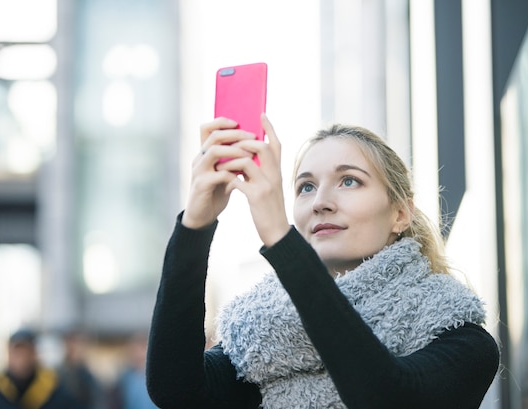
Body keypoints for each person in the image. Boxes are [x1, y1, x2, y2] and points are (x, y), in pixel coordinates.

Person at [146, 115, 500, 409]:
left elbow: (387, 395)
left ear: (400, 214)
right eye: (306, 187)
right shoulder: (262, 338)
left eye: (349, 181)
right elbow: (176, 390)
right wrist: (196, 225)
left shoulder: (461, 338)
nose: (321, 202)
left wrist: (281, 240)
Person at [0, 328, 82, 409]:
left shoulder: (56, 395)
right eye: (17, 352)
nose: (21, 358)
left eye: (26, 352)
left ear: (35, 354)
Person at [56, 329, 107, 409]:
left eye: (79, 345)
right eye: (72, 344)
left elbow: (98, 402)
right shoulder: (58, 375)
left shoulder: (89, 377)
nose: (76, 349)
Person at [109, 333, 157, 409]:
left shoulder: (156, 377)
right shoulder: (125, 378)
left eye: (142, 348)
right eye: (134, 349)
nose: (138, 353)